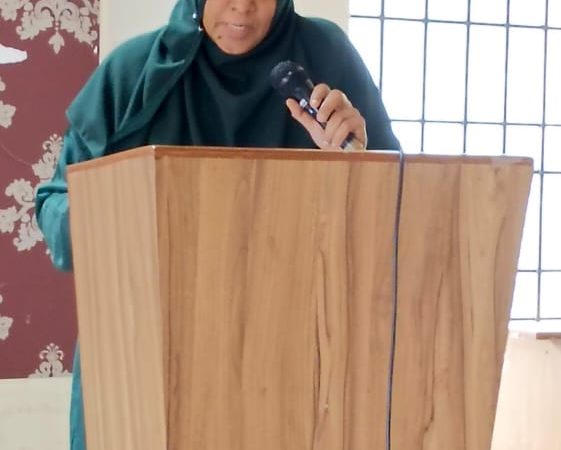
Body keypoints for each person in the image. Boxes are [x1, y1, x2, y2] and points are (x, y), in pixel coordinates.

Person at [35, 0, 400, 448]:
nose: (241, 6)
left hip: (289, 359)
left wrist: (356, 158)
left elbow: (395, 213)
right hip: (148, 356)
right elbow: (55, 205)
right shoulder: (133, 73)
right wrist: (118, 209)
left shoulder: (325, 58)